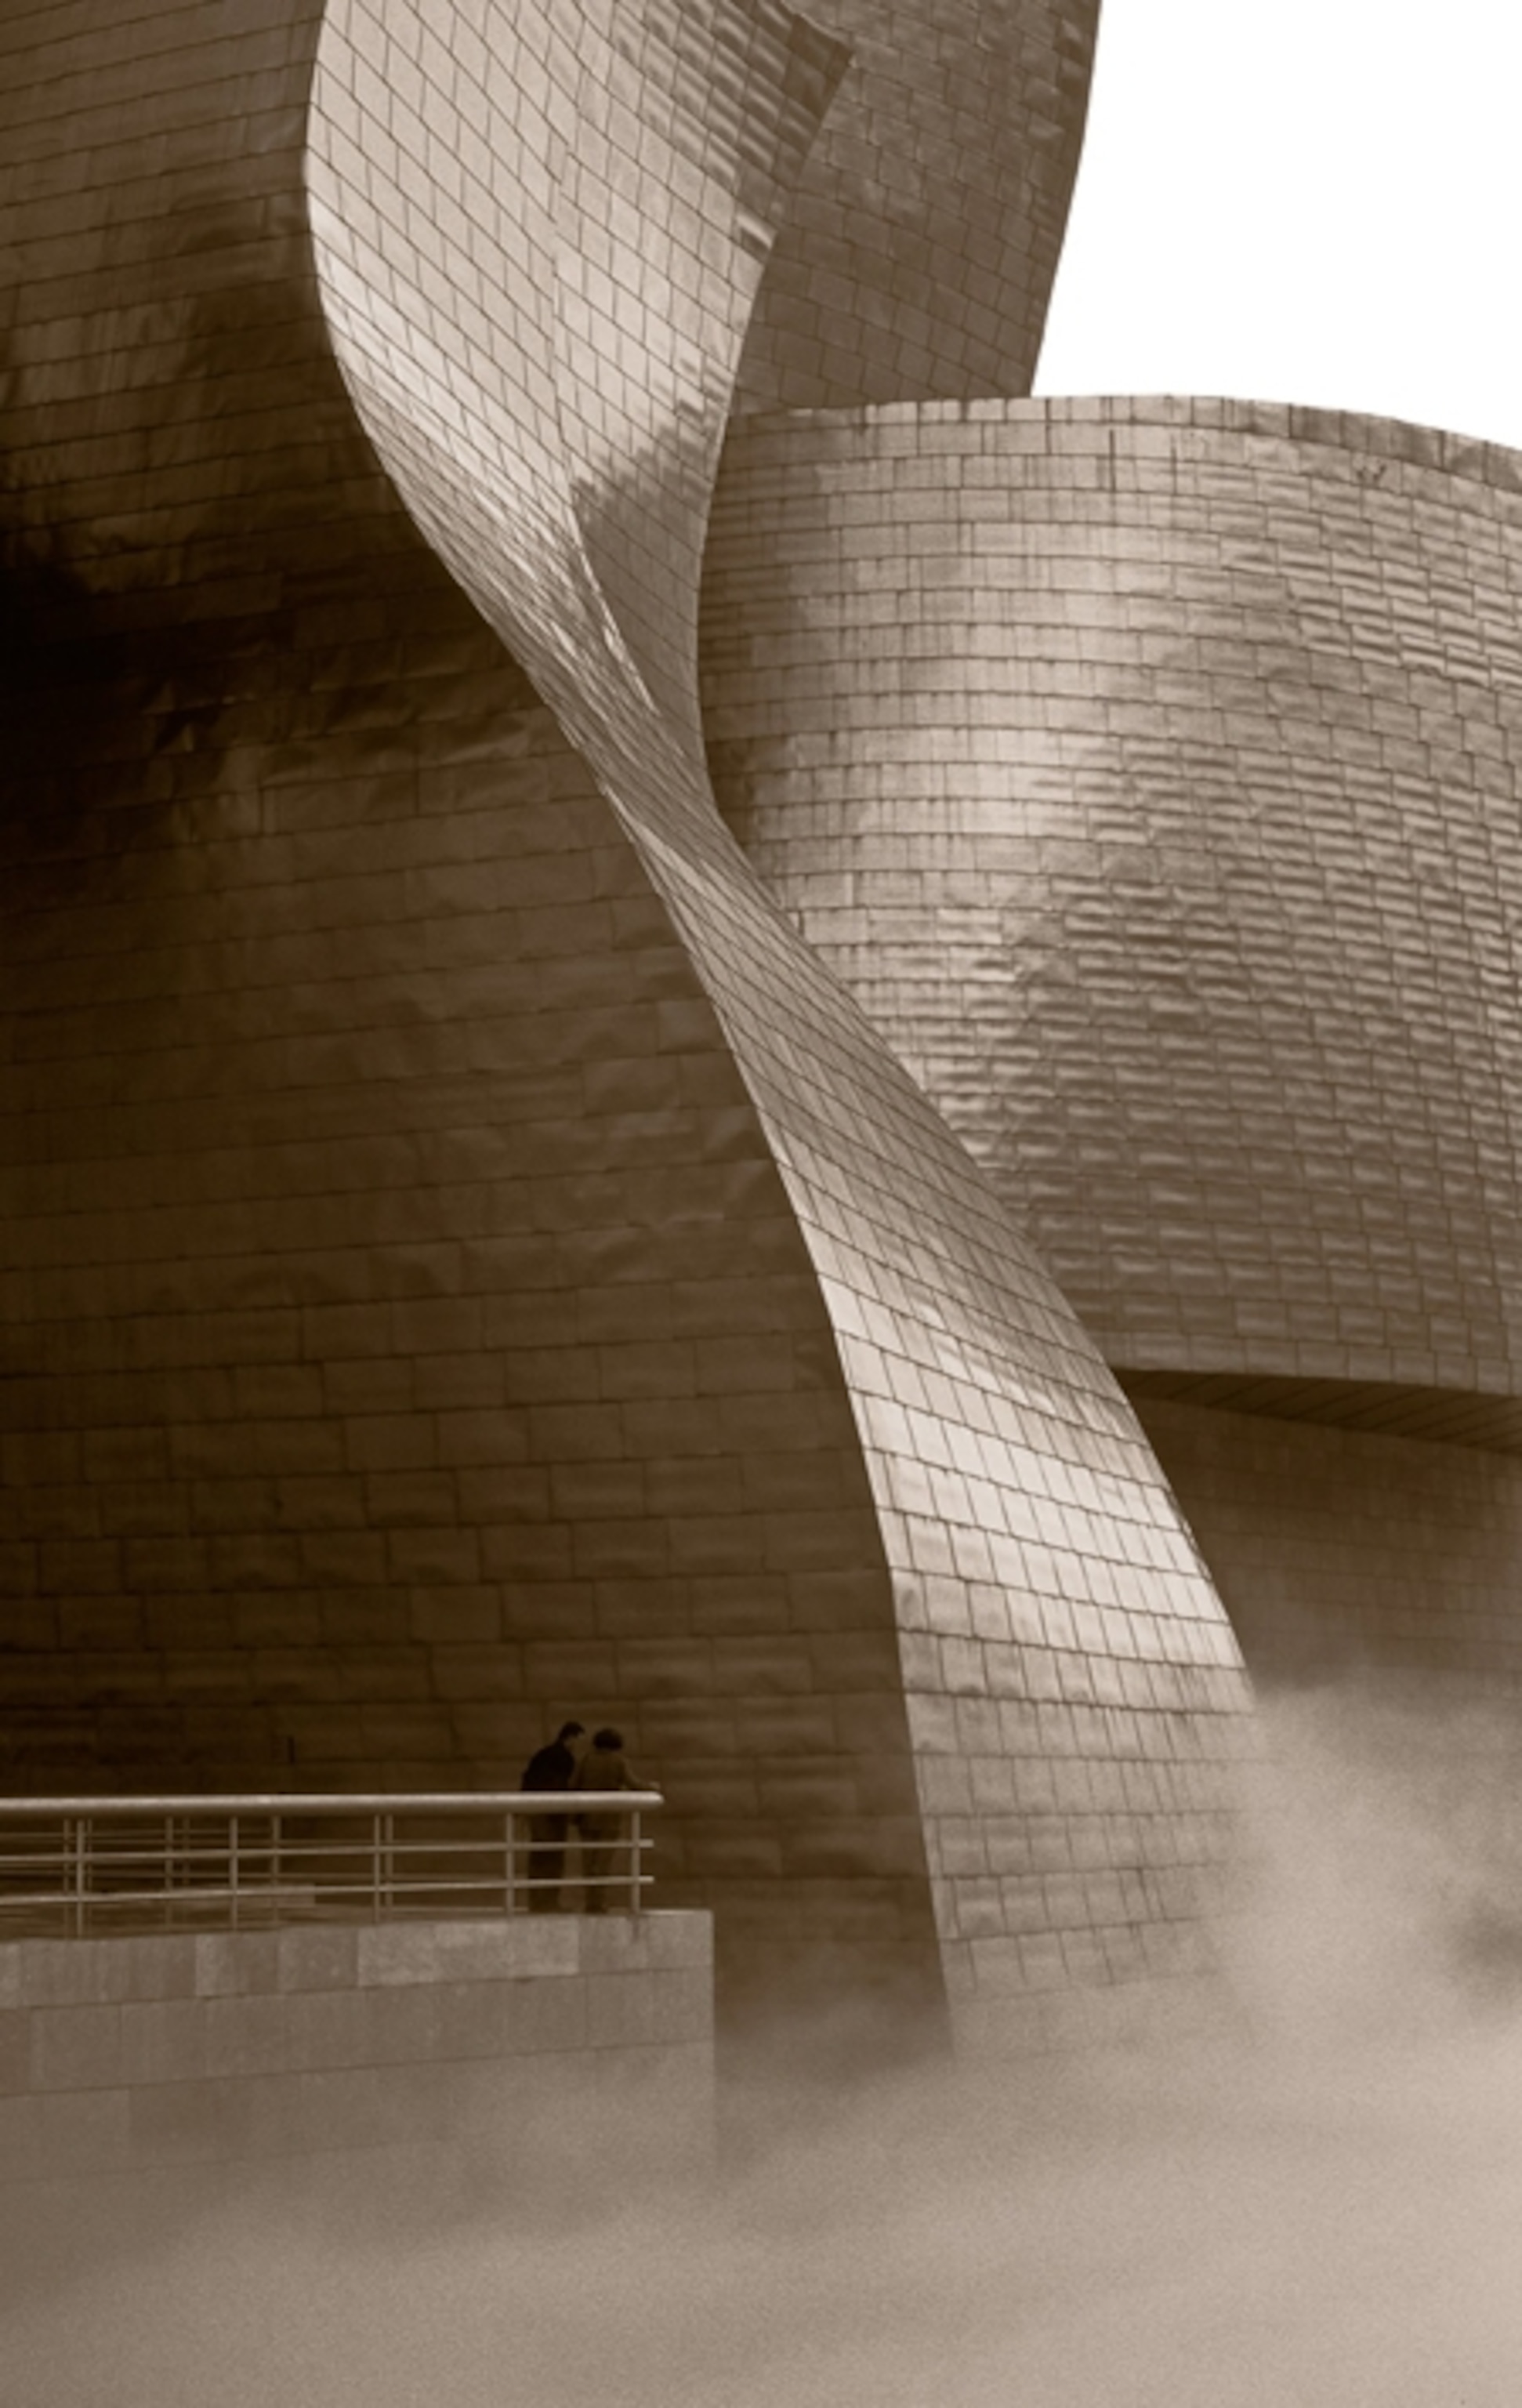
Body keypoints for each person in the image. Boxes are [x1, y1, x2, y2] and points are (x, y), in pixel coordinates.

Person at [572, 1727, 658, 1911]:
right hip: (609, 1819)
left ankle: (590, 1901)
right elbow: (633, 1784)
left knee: (588, 1862)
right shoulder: (618, 1761)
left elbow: (573, 1784)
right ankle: (599, 1902)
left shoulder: (585, 1760)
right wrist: (651, 1787)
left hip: (587, 1818)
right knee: (603, 1862)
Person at [518, 1720, 586, 1911]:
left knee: (538, 1856)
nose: (579, 1746)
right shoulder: (565, 1759)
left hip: (536, 1811)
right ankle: (549, 1901)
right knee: (553, 1857)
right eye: (578, 1740)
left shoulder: (543, 1754)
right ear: (570, 1738)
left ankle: (536, 1901)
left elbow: (527, 1778)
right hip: (554, 1815)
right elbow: (564, 1786)